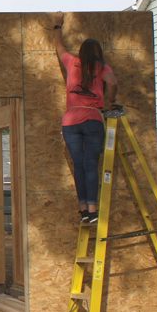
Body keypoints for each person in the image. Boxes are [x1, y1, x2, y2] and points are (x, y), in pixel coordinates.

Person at [52, 16, 118, 223]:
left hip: (70, 122)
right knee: (91, 164)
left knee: (79, 165)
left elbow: (59, 47)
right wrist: (110, 100)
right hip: (92, 119)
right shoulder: (101, 67)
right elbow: (113, 83)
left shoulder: (72, 62)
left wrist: (58, 25)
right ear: (98, 54)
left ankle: (82, 210)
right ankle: (92, 209)